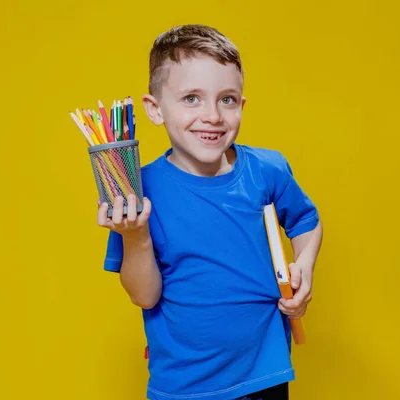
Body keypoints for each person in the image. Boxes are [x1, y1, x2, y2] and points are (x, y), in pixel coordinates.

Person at [98, 24, 323, 400]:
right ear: (155, 109)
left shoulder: (267, 169)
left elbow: (305, 222)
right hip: (184, 385)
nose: (213, 116)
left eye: (227, 99)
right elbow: (145, 296)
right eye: (191, 99)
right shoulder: (139, 189)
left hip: (263, 376)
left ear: (242, 105)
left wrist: (305, 267)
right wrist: (134, 235)